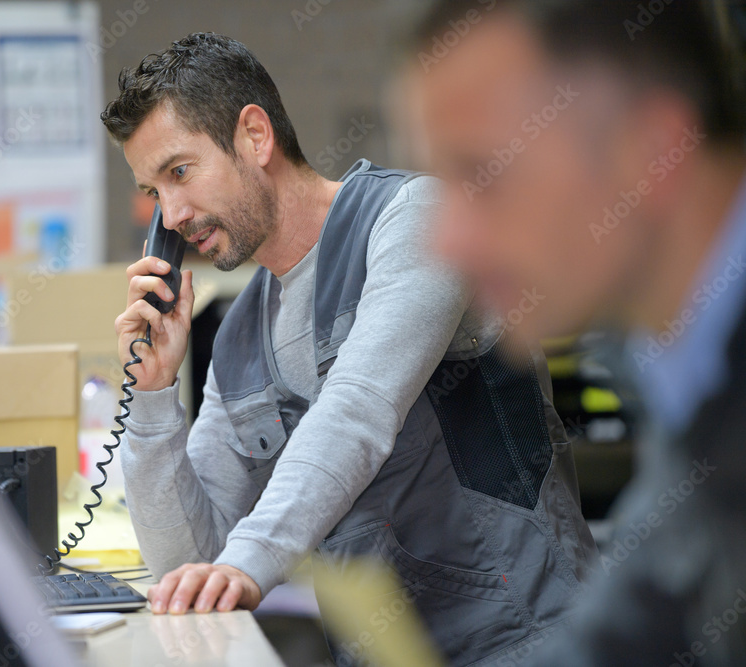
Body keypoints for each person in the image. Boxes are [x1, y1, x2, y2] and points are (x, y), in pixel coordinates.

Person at [103, 32, 596, 666]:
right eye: (153, 193)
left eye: (179, 172)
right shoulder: (240, 336)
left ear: (255, 136)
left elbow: (359, 408)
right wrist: (151, 398)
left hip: (521, 643)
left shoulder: (415, 220)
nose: (169, 216)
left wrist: (251, 562)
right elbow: (192, 567)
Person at [404, 0, 746, 664]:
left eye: (481, 174)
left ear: (652, 153)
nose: (446, 241)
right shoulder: (679, 364)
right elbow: (634, 625)